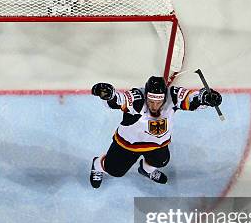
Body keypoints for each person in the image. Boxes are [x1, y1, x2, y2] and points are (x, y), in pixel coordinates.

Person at [89, 76, 222, 188]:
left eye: (158, 102)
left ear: (164, 97)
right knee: (114, 171)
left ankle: (146, 170)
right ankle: (96, 165)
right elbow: (120, 100)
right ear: (146, 95)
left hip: (156, 144)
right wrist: (110, 94)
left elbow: (190, 98)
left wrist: (204, 97)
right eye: (151, 101)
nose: (154, 106)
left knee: (161, 162)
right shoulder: (137, 98)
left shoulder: (172, 95)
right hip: (127, 145)